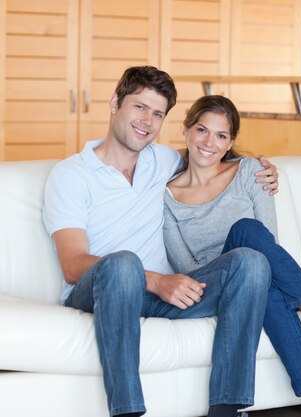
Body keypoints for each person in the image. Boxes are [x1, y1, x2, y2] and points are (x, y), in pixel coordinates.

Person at [42, 66, 279, 417]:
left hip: (166, 296)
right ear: (114, 103)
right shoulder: (71, 175)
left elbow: (211, 155)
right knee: (124, 264)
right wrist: (154, 279)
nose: (146, 121)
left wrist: (261, 170)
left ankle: (227, 410)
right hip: (104, 290)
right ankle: (127, 412)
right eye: (139, 107)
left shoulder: (165, 161)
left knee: (250, 261)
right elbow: (73, 265)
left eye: (157, 114)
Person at [163, 95, 301, 417]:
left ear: (230, 143)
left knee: (254, 255)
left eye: (221, 135)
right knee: (247, 240)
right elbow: (184, 267)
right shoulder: (167, 194)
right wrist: (233, 263)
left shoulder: (250, 171)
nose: (209, 142)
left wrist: (247, 264)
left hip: (255, 269)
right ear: (186, 131)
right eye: (201, 130)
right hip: (209, 281)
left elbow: (269, 242)